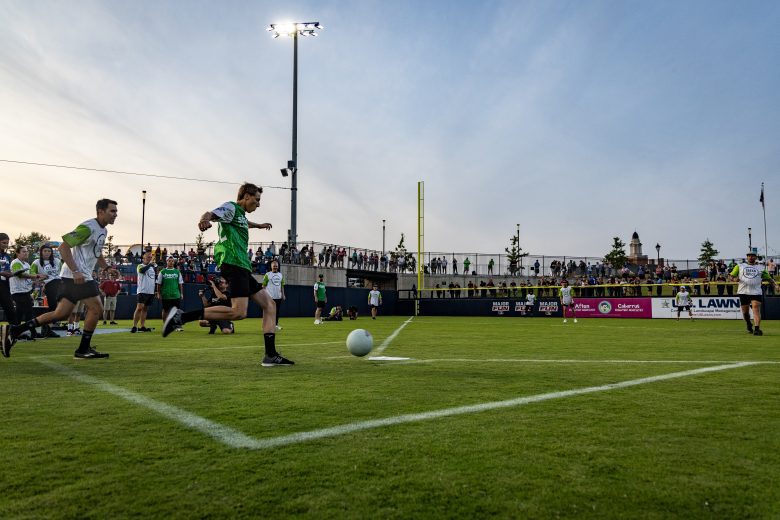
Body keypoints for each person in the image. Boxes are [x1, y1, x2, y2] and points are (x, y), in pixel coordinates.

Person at [162, 183, 291, 367]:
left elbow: (244, 223)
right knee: (239, 312)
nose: (259, 204)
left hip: (242, 266)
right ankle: (181, 318)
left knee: (270, 305)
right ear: (246, 196)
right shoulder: (231, 207)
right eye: (257, 200)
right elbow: (211, 214)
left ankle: (270, 355)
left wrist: (259, 226)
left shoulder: (240, 215)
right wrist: (204, 219)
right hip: (233, 264)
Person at [1, 199, 118, 359]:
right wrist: (76, 270)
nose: (115, 214)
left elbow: (96, 254)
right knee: (97, 309)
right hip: (78, 276)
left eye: (116, 211)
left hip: (74, 277)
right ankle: (83, 349)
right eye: (112, 211)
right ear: (100, 211)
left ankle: (15, 330)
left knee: (60, 314)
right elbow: (64, 247)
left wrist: (106, 267)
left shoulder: (103, 231)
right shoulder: (88, 227)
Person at [730, 252, 776, 336]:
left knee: (755, 308)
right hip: (743, 291)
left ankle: (757, 329)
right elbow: (731, 276)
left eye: (752, 256)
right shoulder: (740, 266)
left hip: (756, 291)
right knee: (745, 313)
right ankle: (748, 323)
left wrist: (775, 286)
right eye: (749, 256)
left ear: (756, 257)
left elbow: (769, 279)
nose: (751, 257)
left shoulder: (761, 268)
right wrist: (734, 279)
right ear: (747, 257)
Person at [9, 246, 47, 339]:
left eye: (27, 251)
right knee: (28, 312)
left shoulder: (26, 264)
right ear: (17, 253)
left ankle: (15, 332)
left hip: (25, 290)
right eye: (23, 251)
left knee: (20, 313)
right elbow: (21, 274)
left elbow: (30, 278)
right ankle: (31, 332)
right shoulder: (16, 262)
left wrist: (40, 279)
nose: (26, 253)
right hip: (18, 291)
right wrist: (37, 277)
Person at [30, 243, 63, 337]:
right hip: (49, 284)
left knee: (56, 309)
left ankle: (46, 328)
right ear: (41, 252)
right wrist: (39, 278)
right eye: (45, 251)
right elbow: (31, 274)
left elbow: (61, 272)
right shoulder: (36, 262)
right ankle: (46, 328)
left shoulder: (57, 261)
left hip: (59, 284)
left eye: (49, 251)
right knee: (53, 307)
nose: (47, 253)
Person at [131, 251, 157, 333]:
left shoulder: (152, 268)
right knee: (139, 308)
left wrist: (155, 291)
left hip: (150, 292)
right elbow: (141, 271)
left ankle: (142, 326)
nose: (150, 258)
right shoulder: (140, 266)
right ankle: (134, 326)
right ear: (144, 258)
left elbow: (153, 279)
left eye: (150, 257)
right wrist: (150, 264)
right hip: (142, 290)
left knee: (145, 309)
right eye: (148, 257)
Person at [156, 256, 184, 326]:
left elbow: (180, 284)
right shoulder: (162, 272)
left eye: (172, 261)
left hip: (176, 295)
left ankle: (177, 325)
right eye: (169, 261)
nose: (171, 262)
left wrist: (181, 294)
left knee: (177, 311)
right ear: (166, 262)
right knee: (165, 311)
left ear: (174, 262)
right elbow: (158, 284)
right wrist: (158, 293)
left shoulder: (177, 272)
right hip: (166, 295)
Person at [0, 233, 18, 325]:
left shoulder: (7, 256)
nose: (5, 245)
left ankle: (15, 330)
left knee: (10, 308)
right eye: (3, 243)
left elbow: (7, 270)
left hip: (4, 284)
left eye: (7, 243)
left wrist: (12, 274)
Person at [262, 260, 285, 331]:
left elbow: (282, 286)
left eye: (276, 266)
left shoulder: (280, 275)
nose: (275, 267)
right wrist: (263, 295)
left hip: (278, 296)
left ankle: (275, 325)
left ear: (278, 267)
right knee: (268, 311)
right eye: (274, 266)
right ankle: (266, 325)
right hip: (270, 297)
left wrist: (283, 295)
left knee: (277, 312)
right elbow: (263, 286)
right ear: (271, 266)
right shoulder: (267, 275)